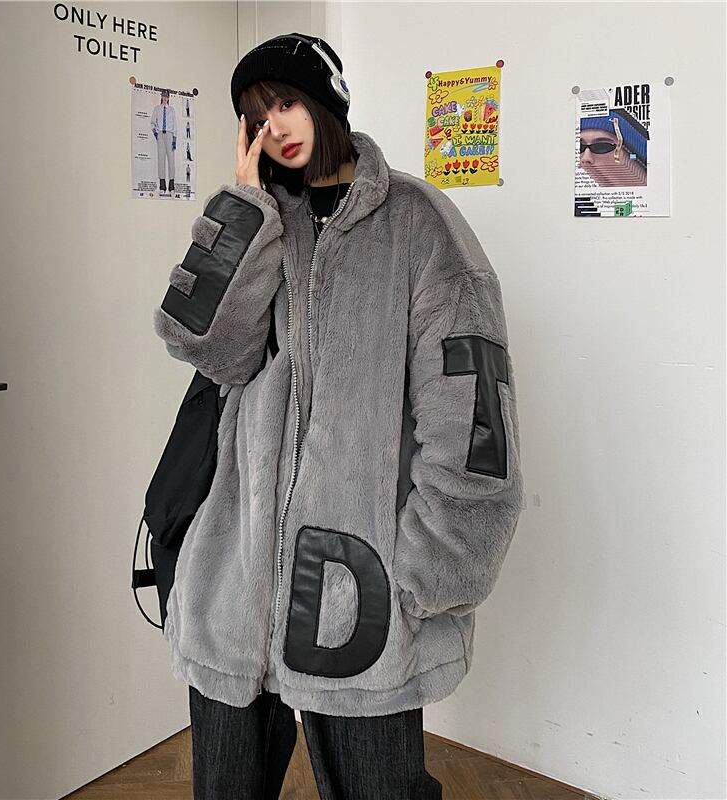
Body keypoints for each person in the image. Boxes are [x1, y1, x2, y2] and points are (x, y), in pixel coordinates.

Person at [152, 33, 525, 799]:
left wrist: (422, 575)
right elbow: (202, 343)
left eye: (287, 103)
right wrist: (243, 212)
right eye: (256, 117)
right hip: (235, 584)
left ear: (330, 103)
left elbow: (474, 424)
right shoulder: (264, 224)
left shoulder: (420, 226)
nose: (274, 127)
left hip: (360, 597)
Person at [151, 89, 177, 193]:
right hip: (161, 134)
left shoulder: (172, 110)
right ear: (161, 97)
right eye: (164, 96)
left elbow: (175, 125)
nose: (165, 98)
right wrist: (155, 133)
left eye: (167, 96)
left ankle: (171, 185)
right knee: (161, 158)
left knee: (171, 159)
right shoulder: (157, 109)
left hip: (170, 134)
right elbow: (153, 122)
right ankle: (162, 186)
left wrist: (174, 139)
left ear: (168, 98)